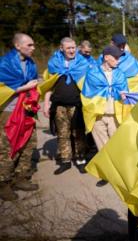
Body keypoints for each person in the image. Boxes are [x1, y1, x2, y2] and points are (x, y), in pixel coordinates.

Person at [81, 45, 128, 187]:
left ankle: (120, 173)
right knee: (102, 146)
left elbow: (124, 89)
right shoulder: (92, 73)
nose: (118, 61)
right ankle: (107, 175)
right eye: (116, 58)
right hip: (98, 115)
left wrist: (123, 93)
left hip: (115, 114)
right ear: (106, 57)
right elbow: (87, 95)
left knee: (115, 145)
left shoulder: (120, 73)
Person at [0, 33, 39, 201]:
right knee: (8, 147)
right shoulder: (4, 64)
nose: (33, 48)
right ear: (18, 46)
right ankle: (3, 184)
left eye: (33, 45)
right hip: (9, 111)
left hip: (27, 109)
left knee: (29, 143)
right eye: (29, 45)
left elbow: (32, 82)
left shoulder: (31, 63)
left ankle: (20, 177)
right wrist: (23, 88)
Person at [43, 37, 90, 175]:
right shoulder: (54, 64)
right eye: (68, 48)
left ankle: (81, 160)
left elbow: (89, 85)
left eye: (74, 47)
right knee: (62, 134)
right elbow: (48, 86)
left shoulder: (83, 63)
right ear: (61, 48)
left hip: (77, 105)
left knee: (79, 133)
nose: (72, 50)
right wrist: (46, 103)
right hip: (59, 106)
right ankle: (65, 161)